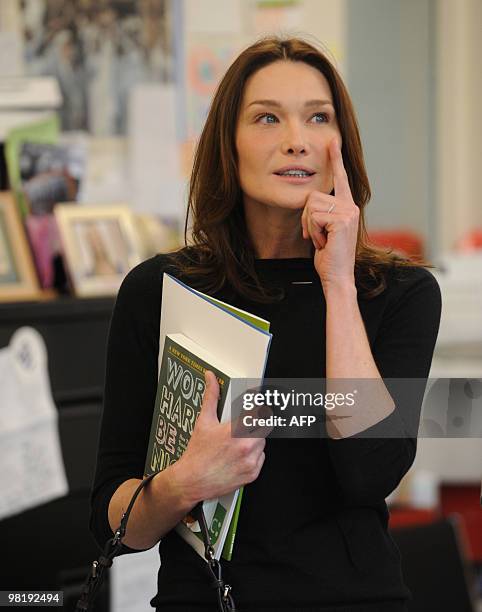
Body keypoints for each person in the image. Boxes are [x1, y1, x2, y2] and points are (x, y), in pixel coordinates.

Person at [90, 35, 442, 611]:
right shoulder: (159, 290)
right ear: (227, 144)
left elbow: (369, 472)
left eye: (318, 118)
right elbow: (115, 525)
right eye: (267, 118)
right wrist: (184, 483)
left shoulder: (400, 294)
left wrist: (337, 283)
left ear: (341, 145)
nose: (296, 142)